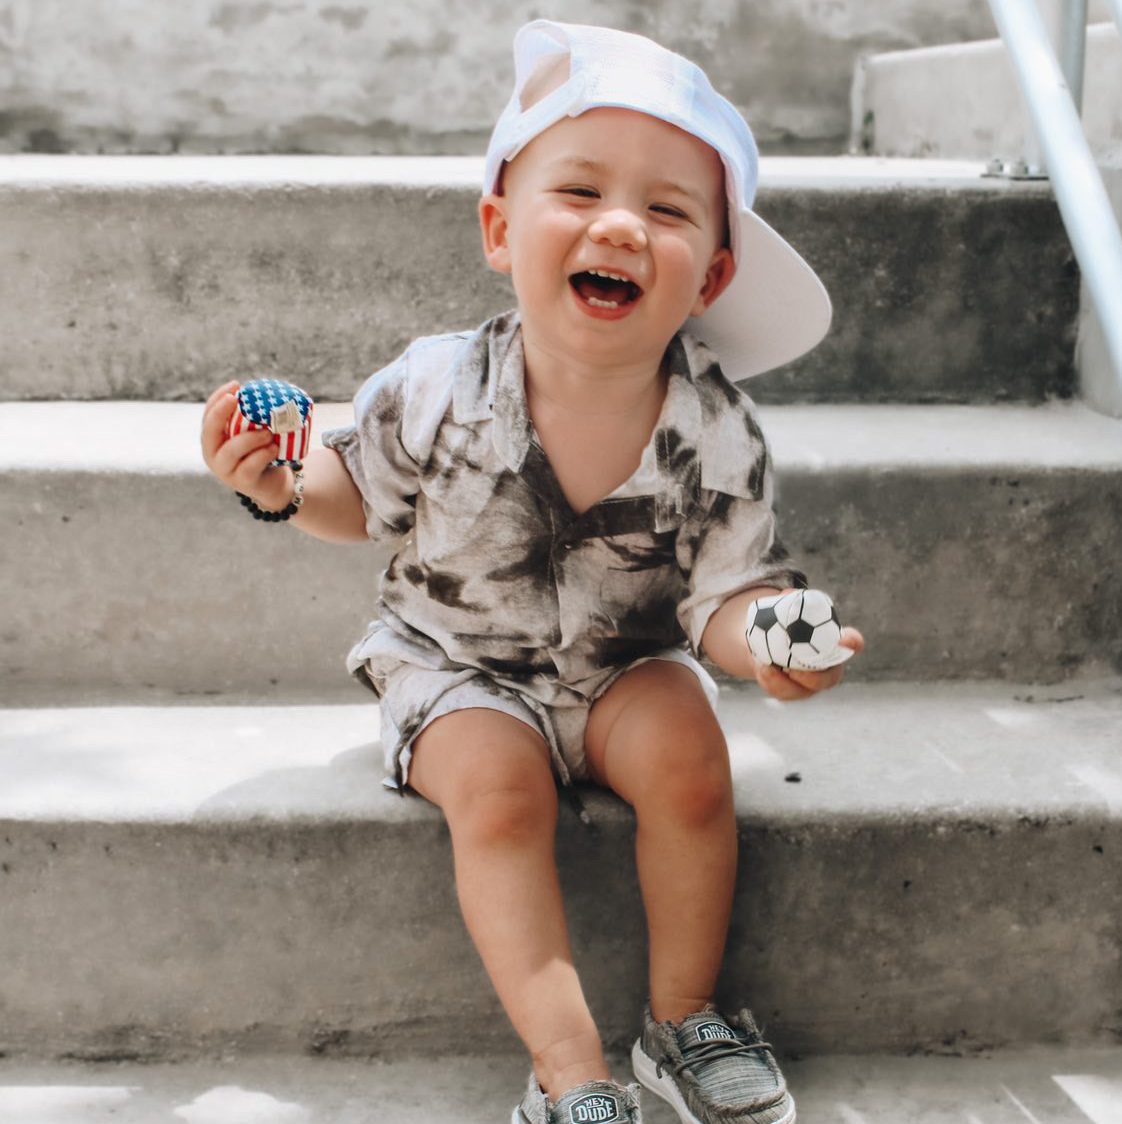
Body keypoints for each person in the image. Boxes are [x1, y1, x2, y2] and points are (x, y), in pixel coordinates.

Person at [201, 20, 863, 1124]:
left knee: (693, 757)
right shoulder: (435, 384)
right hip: (454, 665)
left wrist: (772, 640)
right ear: (501, 230)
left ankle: (681, 1017)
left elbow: (723, 598)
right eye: (582, 192)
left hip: (617, 666)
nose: (620, 224)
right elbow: (355, 494)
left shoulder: (720, 429)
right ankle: (572, 1075)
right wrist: (276, 485)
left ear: (714, 270)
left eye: (666, 209)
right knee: (501, 793)